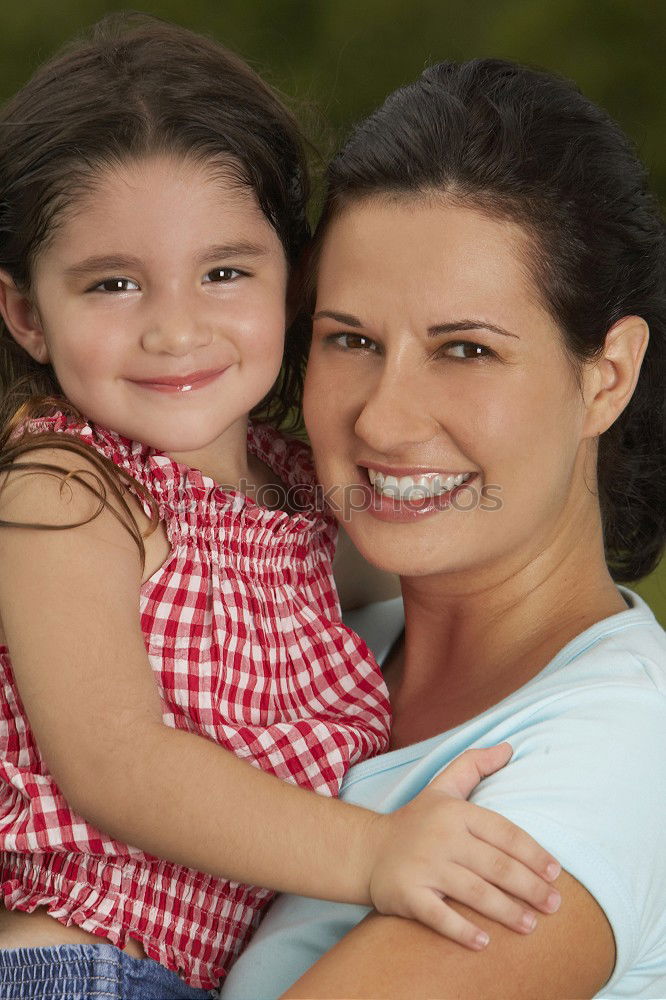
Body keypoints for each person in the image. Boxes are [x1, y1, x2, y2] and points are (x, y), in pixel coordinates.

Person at [0, 23, 562, 1000]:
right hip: (74, 969)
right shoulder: (63, 494)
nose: (175, 328)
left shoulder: (296, 488)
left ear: (295, 279)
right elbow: (117, 765)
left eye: (225, 272)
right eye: (113, 284)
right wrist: (376, 856)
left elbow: (459, 564)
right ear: (25, 313)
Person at [221, 58, 666, 999]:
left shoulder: (619, 758)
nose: (383, 421)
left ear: (608, 376)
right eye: (351, 340)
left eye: (467, 349)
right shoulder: (315, 649)